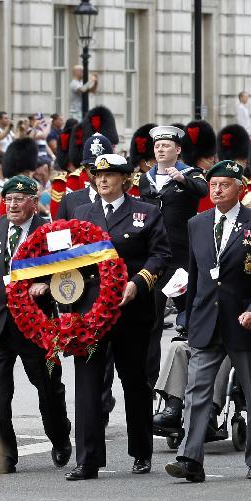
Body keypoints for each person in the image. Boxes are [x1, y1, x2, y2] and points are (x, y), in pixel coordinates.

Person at [164, 160, 251, 483]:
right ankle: (190, 457)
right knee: (196, 391)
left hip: (244, 321)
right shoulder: (197, 224)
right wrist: (187, 311)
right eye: (213, 185)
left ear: (239, 188)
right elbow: (196, 273)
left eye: (224, 184)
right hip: (205, 320)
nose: (217, 190)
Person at [64, 153, 171, 480]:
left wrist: (139, 283)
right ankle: (88, 460)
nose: (103, 180)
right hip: (90, 312)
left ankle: (141, 450)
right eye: (98, 175)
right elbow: (67, 258)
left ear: (125, 179)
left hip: (130, 311)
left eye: (110, 175)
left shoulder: (145, 212)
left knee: (135, 381)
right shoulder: (82, 213)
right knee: (87, 382)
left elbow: (160, 255)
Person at [0, 177, 72, 474]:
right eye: (8, 199)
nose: (12, 205)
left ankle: (60, 436)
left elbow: (69, 272)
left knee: (48, 387)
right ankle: (6, 454)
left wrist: (47, 284)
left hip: (38, 326)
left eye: (19, 199)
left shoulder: (52, 230)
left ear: (33, 201)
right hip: (0, 324)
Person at [138, 126, 209, 385]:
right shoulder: (145, 179)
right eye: (157, 146)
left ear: (177, 150)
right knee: (153, 320)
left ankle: (194, 378)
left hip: (182, 257)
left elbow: (203, 190)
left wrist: (181, 180)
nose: (160, 150)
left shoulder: (190, 173)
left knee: (189, 316)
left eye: (166, 146)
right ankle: (150, 380)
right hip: (156, 256)